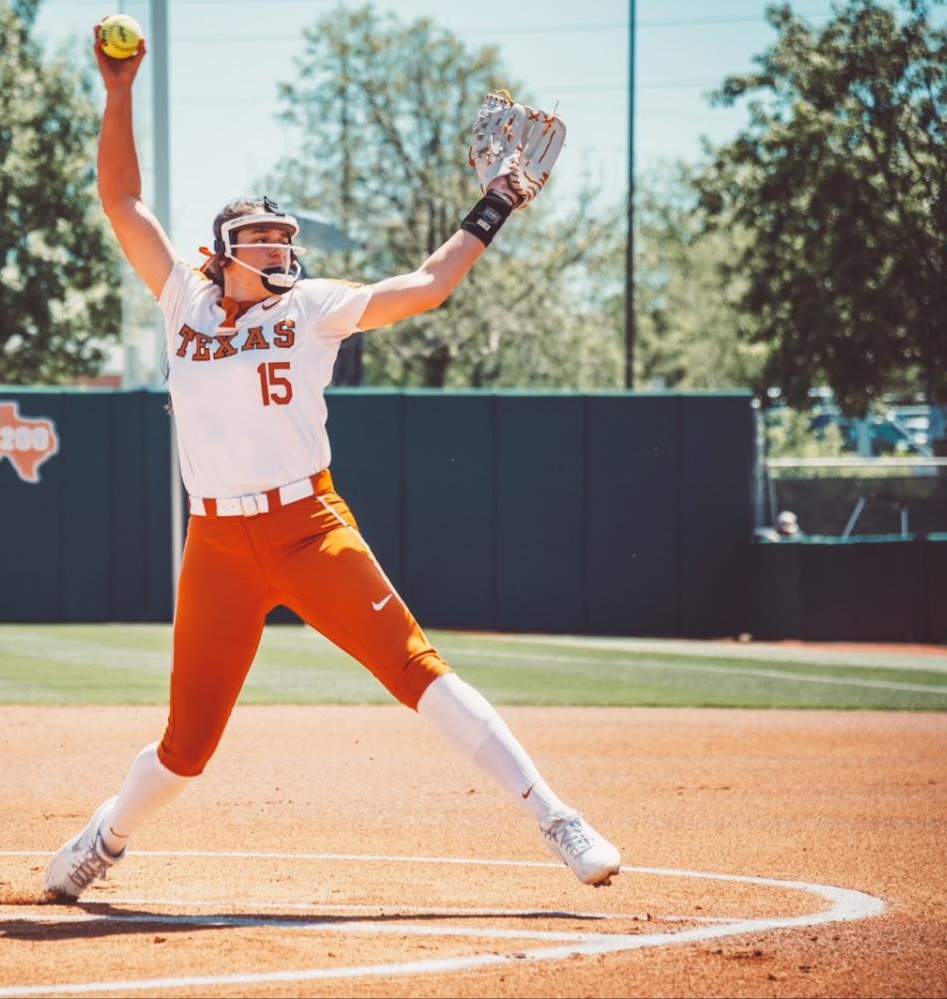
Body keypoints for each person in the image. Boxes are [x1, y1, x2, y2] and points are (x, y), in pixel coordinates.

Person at [44, 26, 621, 900]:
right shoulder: (181, 299)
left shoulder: (312, 307)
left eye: (285, 237)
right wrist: (118, 91)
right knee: (187, 745)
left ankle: (555, 816)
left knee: (415, 667)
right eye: (263, 239)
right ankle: (107, 836)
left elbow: (426, 286)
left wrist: (495, 203)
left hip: (309, 528)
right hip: (218, 546)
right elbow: (123, 203)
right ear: (224, 253)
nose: (281, 249)